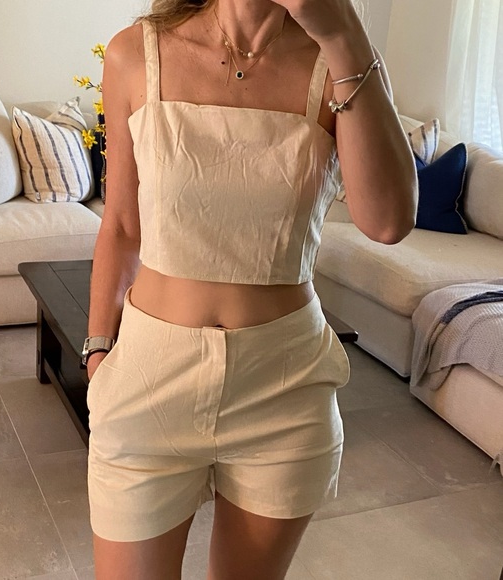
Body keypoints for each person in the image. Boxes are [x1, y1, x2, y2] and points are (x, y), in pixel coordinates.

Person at [83, 0, 417, 578]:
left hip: (284, 388)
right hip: (149, 377)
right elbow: (120, 226)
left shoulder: (341, 62)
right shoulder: (135, 53)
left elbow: (388, 222)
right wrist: (97, 351)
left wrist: (342, 32)